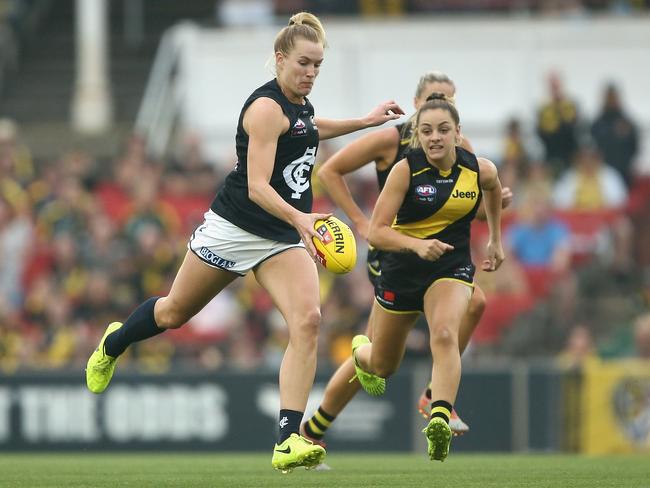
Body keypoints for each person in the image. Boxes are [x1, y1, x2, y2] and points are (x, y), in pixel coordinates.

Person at [84, 12, 404, 473]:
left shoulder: (301, 105)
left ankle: (287, 439)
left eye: (317, 65)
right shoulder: (265, 108)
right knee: (174, 312)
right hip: (235, 229)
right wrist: (301, 220)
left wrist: (365, 121)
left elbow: (313, 129)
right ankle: (114, 343)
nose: (311, 73)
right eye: (303, 64)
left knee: (308, 321)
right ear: (279, 59)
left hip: (280, 235)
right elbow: (256, 186)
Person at [301, 72, 511, 448]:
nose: (436, 127)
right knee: (379, 364)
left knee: (469, 307)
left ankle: (436, 399)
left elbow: (464, 206)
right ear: (416, 106)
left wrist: (492, 222)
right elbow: (330, 171)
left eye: (446, 109)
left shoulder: (463, 151)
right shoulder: (392, 143)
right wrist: (362, 223)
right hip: (392, 255)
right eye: (431, 102)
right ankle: (314, 428)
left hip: (445, 260)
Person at [350, 92, 504, 461]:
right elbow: (376, 231)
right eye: (427, 130)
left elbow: (494, 191)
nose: (435, 137)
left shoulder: (480, 168)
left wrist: (496, 240)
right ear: (417, 134)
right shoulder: (405, 169)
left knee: (446, 333)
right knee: (383, 365)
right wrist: (416, 246)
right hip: (401, 271)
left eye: (443, 130)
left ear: (457, 133)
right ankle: (361, 353)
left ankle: (439, 415)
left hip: (449, 268)